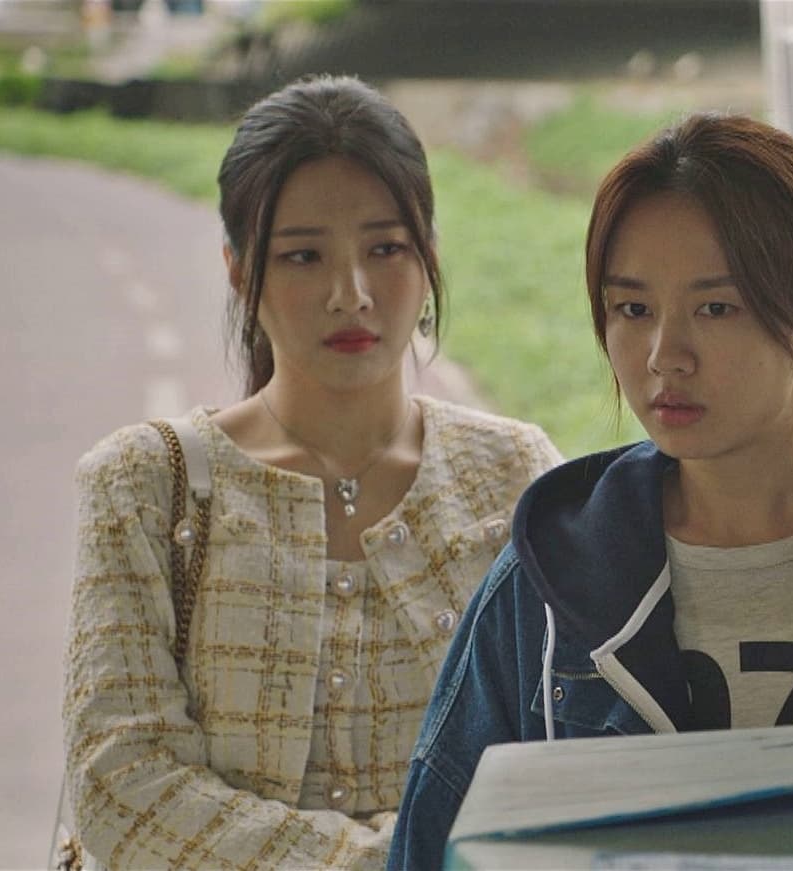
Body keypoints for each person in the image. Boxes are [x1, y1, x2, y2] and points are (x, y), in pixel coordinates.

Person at [388, 112, 793, 867]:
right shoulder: (546, 588)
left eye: (716, 307)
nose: (664, 355)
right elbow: (431, 845)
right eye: (633, 309)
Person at [59, 75, 561, 870]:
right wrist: (393, 859)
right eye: (303, 256)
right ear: (238, 269)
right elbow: (121, 785)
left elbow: (559, 751)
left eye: (385, 249)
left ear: (429, 255)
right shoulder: (144, 485)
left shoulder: (513, 477)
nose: (349, 294)